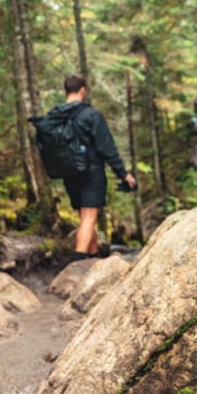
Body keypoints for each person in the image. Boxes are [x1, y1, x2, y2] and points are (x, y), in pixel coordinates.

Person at [45, 75, 136, 260]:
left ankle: (93, 258)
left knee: (85, 217)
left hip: (69, 172)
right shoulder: (92, 115)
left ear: (65, 91)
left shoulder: (55, 116)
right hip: (91, 172)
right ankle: (77, 262)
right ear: (82, 90)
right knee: (88, 218)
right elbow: (106, 148)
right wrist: (123, 173)